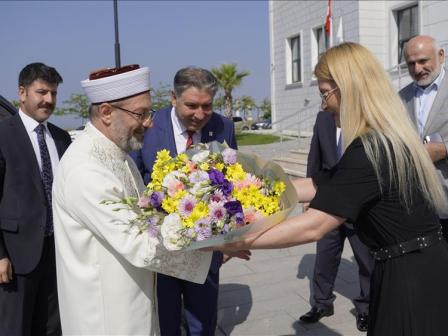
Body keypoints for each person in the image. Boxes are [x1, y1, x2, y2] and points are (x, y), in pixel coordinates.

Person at [216, 42, 448, 336]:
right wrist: (244, 191)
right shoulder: (383, 137)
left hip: (410, 279)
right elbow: (318, 184)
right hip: (417, 266)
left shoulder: (368, 149)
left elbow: (313, 227)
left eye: (325, 93)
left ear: (348, 88)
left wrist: (233, 241)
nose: (323, 105)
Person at [52, 64, 221, 335]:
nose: (149, 122)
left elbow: (151, 219)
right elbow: (141, 244)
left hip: (135, 304)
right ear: (107, 113)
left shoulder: (120, 157)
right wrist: (212, 243)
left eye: (148, 112)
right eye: (140, 114)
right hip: (106, 317)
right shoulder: (85, 170)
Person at [131, 66, 238, 336]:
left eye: (207, 106)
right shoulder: (150, 127)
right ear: (173, 98)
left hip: (207, 246)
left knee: (203, 322)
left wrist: (228, 239)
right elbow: (133, 182)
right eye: (191, 106)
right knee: (166, 320)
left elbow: (231, 182)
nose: (200, 115)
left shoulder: (223, 126)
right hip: (162, 247)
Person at [0, 63, 71, 335]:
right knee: (16, 328)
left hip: (58, 255)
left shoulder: (62, 138)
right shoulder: (3, 135)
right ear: (22, 92)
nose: (49, 100)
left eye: (53, 93)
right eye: (42, 92)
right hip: (17, 258)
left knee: (52, 328)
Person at [300, 111, 373, 332]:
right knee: (325, 254)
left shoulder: (365, 115)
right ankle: (322, 304)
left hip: (358, 202)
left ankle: (367, 309)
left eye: (327, 92)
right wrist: (308, 197)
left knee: (366, 259)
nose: (324, 97)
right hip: (328, 199)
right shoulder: (323, 118)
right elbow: (315, 156)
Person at [399, 35, 448, 241]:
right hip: (417, 202)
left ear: (441, 56)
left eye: (423, 61)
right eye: (411, 63)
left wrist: (445, 148)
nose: (417, 69)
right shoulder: (401, 97)